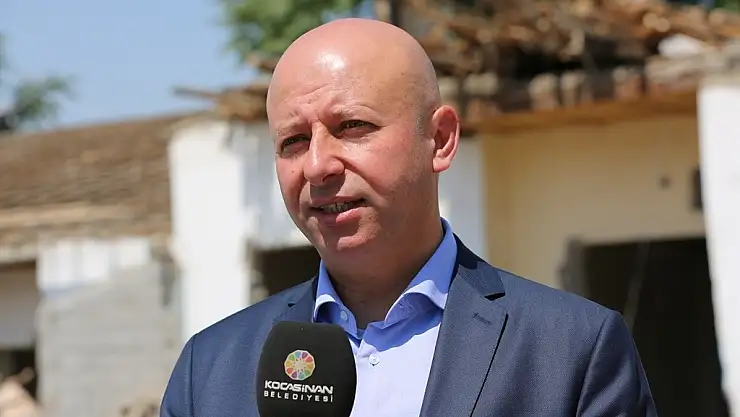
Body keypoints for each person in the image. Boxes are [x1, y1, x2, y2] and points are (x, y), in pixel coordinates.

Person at [160, 18, 657, 417]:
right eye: (293, 141)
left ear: (439, 140)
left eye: (351, 126)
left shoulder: (571, 350)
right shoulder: (210, 370)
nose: (317, 165)